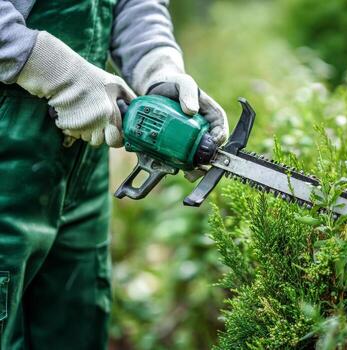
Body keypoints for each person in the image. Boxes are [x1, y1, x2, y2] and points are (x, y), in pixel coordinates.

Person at [0, 0, 228, 348]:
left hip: (82, 164)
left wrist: (157, 65)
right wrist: (53, 70)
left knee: (76, 326)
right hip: (7, 153)